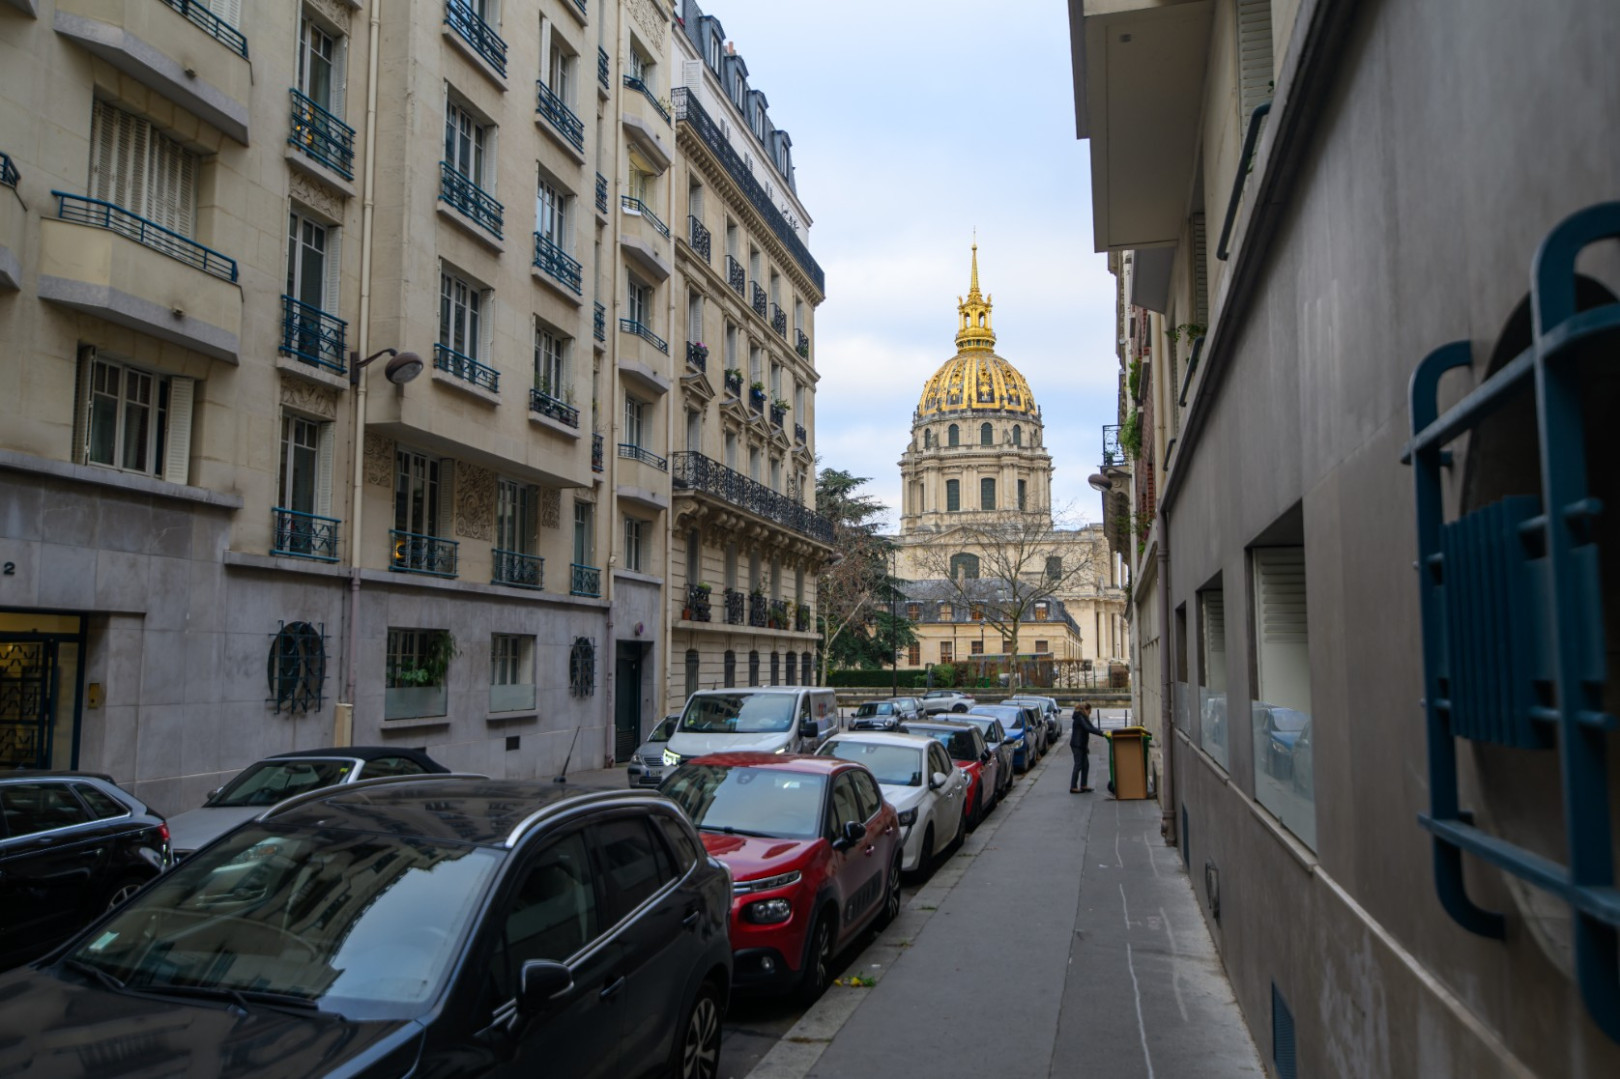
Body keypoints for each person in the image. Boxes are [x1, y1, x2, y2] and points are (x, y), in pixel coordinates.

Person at [1070, 701, 1108, 793]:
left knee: (1085, 765)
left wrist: (1101, 732)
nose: (1090, 714)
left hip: (1082, 745)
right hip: (1077, 745)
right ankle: (1073, 787)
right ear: (1085, 710)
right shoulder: (1079, 717)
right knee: (1078, 765)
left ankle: (1083, 785)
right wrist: (1102, 733)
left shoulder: (1083, 717)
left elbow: (1091, 727)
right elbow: (1088, 728)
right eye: (1089, 712)